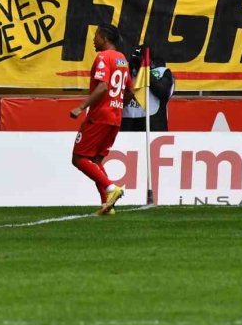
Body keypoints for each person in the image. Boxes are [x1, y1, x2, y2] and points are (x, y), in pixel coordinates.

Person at [69, 24, 132, 215]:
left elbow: (103, 86)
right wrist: (117, 104)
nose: (93, 39)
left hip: (100, 115)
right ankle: (107, 205)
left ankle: (112, 189)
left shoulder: (103, 57)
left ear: (104, 38)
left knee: (79, 158)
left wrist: (82, 106)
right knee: (95, 161)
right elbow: (129, 91)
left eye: (96, 36)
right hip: (115, 117)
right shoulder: (122, 59)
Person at [121, 45, 174, 132]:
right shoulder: (127, 72)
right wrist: (131, 68)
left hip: (153, 123)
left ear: (151, 60)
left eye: (142, 58)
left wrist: (144, 70)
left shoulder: (161, 72)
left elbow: (163, 92)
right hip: (128, 124)